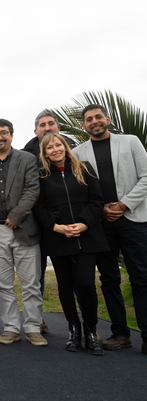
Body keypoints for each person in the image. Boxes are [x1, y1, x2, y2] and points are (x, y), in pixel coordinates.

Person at [73, 104, 147, 354]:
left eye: (98, 117)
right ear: (83, 125)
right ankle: (121, 333)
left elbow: (146, 176)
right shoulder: (77, 152)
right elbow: (79, 191)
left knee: (141, 277)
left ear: (108, 118)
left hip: (134, 219)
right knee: (109, 279)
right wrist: (101, 210)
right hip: (100, 225)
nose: (94, 122)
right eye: (88, 119)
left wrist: (124, 204)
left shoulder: (130, 142)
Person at [34, 133, 105, 355]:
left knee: (86, 283)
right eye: (49, 147)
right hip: (58, 237)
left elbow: (97, 200)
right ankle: (73, 330)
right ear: (44, 153)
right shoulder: (42, 176)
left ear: (65, 146)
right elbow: (39, 208)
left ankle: (91, 331)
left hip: (86, 235)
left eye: (58, 145)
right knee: (64, 284)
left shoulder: (84, 168)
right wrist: (56, 226)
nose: (55, 149)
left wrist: (84, 223)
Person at [0, 119, 46, 346]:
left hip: (24, 227)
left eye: (4, 133)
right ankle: (10, 328)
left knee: (31, 283)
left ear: (12, 135)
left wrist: (16, 216)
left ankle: (33, 328)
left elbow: (32, 190)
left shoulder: (27, 159)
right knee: (3, 283)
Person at [23, 109, 78, 334]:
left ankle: (86, 324)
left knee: (77, 276)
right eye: (42, 125)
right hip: (38, 224)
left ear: (59, 128)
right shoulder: (26, 155)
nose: (47, 128)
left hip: (72, 225)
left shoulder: (74, 152)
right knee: (37, 274)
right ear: (35, 131)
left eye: (51, 123)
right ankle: (38, 319)